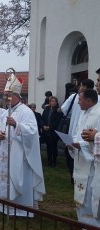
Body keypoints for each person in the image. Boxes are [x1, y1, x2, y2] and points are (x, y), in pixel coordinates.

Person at [0, 73, 45, 217]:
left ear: (17, 96)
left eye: (8, 95)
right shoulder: (5, 113)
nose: (6, 98)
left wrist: (16, 124)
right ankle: (5, 206)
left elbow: (33, 132)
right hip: (5, 152)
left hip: (20, 154)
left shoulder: (26, 111)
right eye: (4, 95)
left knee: (18, 178)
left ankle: (22, 209)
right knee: (4, 177)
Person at [67, 89, 100, 226]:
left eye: (80, 100)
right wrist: (73, 143)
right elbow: (78, 132)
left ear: (88, 100)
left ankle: (92, 224)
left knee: (90, 195)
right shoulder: (83, 113)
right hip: (80, 160)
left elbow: (95, 138)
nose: (78, 103)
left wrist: (82, 145)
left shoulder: (98, 113)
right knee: (81, 194)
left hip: (92, 165)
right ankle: (83, 222)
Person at [61, 79, 94, 183]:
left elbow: (64, 109)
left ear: (83, 86)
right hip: (84, 132)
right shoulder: (94, 99)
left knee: (73, 154)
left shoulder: (74, 97)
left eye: (81, 85)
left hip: (79, 131)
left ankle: (74, 176)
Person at [41, 96, 62, 167]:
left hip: (53, 131)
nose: (54, 103)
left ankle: (54, 162)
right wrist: (43, 126)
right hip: (46, 131)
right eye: (52, 101)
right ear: (49, 102)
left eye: (55, 101)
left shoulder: (58, 111)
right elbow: (43, 118)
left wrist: (50, 127)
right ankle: (49, 161)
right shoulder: (46, 109)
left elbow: (57, 121)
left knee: (54, 147)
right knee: (48, 147)